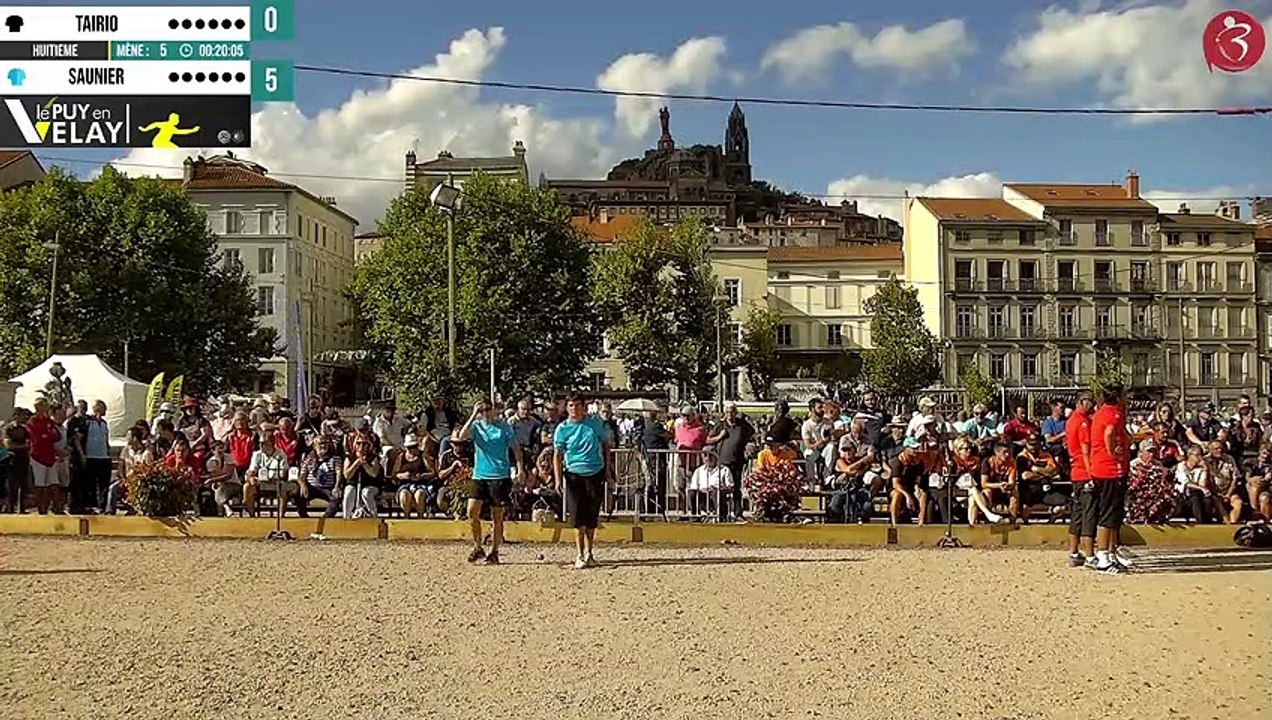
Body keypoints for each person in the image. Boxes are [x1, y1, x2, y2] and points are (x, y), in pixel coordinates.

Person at [457, 400, 523, 565]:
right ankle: (478, 546)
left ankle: (494, 551)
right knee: (471, 511)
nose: (485, 413)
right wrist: (473, 414)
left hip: (499, 475)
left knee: (497, 515)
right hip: (480, 475)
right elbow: (461, 436)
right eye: (482, 410)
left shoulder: (504, 427)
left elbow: (516, 448)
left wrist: (520, 469)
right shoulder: (477, 426)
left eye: (488, 409)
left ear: (494, 410)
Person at [552, 393, 612, 569]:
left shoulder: (595, 423)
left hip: (595, 472)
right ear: (567, 407)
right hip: (573, 474)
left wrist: (608, 470)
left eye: (578, 405)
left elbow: (606, 445)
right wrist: (557, 480)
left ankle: (589, 552)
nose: (575, 408)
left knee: (592, 515)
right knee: (577, 515)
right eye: (571, 405)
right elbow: (557, 455)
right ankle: (579, 553)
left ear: (583, 406)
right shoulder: (562, 429)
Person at [1089, 383, 1130, 573]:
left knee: (1113, 514)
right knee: (1107, 514)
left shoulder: (1101, 411)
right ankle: (1103, 555)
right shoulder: (1113, 413)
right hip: (1108, 470)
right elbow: (1109, 432)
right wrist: (1112, 451)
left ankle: (1111, 553)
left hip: (1106, 469)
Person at [708, 403, 755, 522]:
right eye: (728, 412)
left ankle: (738, 513)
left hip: (737, 461)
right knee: (721, 488)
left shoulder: (742, 425)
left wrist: (749, 445)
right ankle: (721, 514)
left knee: (736, 488)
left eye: (732, 412)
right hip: (722, 462)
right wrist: (719, 436)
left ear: (736, 412)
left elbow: (753, 434)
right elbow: (708, 440)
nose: (730, 414)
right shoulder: (720, 425)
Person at [1065, 393, 1096, 568]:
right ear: (1080, 402)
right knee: (1088, 514)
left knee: (1077, 513)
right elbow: (1085, 450)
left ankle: (1074, 552)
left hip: (1076, 472)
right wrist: (1091, 474)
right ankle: (1090, 555)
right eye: (1089, 401)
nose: (1092, 404)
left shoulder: (1071, 420)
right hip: (1084, 472)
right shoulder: (1083, 422)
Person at [243, 426, 293, 517]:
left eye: (264, 443)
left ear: (272, 443)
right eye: (260, 443)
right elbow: (251, 470)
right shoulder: (257, 454)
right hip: (260, 482)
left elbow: (283, 473)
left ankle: (281, 516)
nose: (261, 446)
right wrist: (251, 478)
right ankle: (252, 515)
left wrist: (270, 476)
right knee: (247, 487)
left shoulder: (281, 455)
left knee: (283, 488)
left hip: (276, 481)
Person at [26, 399, 63, 515]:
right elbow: (37, 437)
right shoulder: (32, 421)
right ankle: (41, 509)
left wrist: (47, 436)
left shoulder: (48, 421)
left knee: (52, 484)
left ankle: (55, 507)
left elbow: (56, 435)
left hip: (50, 455)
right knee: (40, 484)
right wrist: (47, 436)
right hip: (38, 456)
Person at [1125, 439, 1175, 524]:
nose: (1151, 455)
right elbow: (1132, 486)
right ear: (1140, 453)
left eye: (1153, 451)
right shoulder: (1133, 465)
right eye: (1148, 451)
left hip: (1155, 498)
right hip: (1137, 497)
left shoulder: (1158, 465)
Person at [296, 434, 342, 519]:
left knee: (336, 499)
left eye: (325, 443)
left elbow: (339, 474)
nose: (323, 446)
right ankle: (304, 517)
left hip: (328, 488)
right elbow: (301, 475)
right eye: (320, 443)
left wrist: (337, 486)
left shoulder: (335, 458)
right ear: (314, 445)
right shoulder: (308, 458)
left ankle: (326, 518)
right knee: (298, 493)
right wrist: (303, 485)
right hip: (312, 487)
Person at [393, 434, 438, 519]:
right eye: (409, 448)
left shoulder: (423, 456)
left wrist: (422, 476)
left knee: (419, 495)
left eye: (413, 447)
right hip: (405, 484)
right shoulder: (401, 457)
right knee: (404, 495)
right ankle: (407, 518)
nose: (412, 450)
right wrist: (403, 475)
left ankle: (420, 518)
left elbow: (433, 472)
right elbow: (395, 474)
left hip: (420, 483)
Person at [888, 437, 930, 526]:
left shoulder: (918, 462)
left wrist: (917, 488)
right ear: (905, 448)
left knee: (923, 495)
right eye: (913, 448)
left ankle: (921, 523)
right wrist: (907, 496)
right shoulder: (896, 462)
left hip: (911, 486)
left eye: (916, 448)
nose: (915, 450)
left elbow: (917, 479)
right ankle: (894, 523)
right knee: (897, 495)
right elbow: (896, 484)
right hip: (898, 488)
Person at [341, 434, 384, 518]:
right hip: (353, 484)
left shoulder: (373, 458)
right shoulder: (349, 457)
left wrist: (364, 463)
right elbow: (347, 475)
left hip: (371, 485)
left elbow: (374, 473)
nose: (361, 446)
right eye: (358, 443)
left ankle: (373, 516)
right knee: (349, 491)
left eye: (364, 444)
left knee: (366, 492)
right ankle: (346, 517)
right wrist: (356, 463)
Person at [83, 400, 112, 511]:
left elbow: (105, 438)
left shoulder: (104, 423)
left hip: (103, 457)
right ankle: (91, 504)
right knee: (91, 482)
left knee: (104, 483)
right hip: (91, 456)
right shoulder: (88, 422)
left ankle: (103, 505)